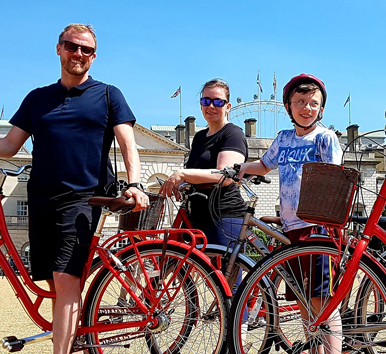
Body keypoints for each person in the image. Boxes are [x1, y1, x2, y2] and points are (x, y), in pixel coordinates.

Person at [0, 24, 148, 354]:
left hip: (83, 198)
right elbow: (10, 146)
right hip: (41, 199)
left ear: (94, 57)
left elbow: (128, 144)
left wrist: (136, 182)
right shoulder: (37, 98)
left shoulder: (108, 94)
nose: (78, 54)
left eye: (86, 50)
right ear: (59, 49)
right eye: (72, 46)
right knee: (56, 283)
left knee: (66, 280)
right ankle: (72, 342)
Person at [238, 74, 343, 354]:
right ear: (288, 106)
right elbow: (264, 164)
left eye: (313, 103)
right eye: (300, 102)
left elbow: (334, 178)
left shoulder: (325, 137)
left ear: (321, 109)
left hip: (318, 227)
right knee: (303, 302)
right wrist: (240, 168)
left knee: (322, 302)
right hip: (292, 228)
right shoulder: (284, 138)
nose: (306, 108)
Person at [160, 79, 248, 283]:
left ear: (228, 106)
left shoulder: (232, 134)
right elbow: (198, 174)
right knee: (211, 282)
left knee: (228, 285)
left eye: (217, 102)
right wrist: (181, 185)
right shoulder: (199, 137)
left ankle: (242, 315)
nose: (211, 106)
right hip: (198, 214)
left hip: (223, 215)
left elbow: (223, 176)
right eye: (206, 101)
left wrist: (183, 174)